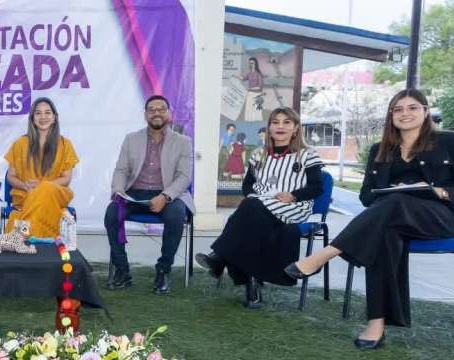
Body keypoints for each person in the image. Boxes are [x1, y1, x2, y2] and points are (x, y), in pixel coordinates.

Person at [287, 89, 454, 349]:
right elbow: (367, 197)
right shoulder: (379, 150)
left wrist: (435, 191)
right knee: (385, 230)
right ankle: (376, 324)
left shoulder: (450, 141)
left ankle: (325, 254)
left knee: (396, 203)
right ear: (391, 115)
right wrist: (390, 192)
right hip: (391, 218)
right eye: (398, 109)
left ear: (425, 111)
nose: (405, 113)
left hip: (441, 218)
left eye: (412, 107)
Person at [195, 108, 323, 308]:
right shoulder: (258, 154)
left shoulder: (308, 155)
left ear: (296, 128)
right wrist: (253, 197)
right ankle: (251, 282)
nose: (280, 126)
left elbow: (316, 187)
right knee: (252, 211)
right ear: (269, 127)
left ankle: (221, 257)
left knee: (248, 211)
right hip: (259, 204)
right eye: (275, 122)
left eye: (286, 122)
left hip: (293, 205)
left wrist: (293, 195)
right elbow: (247, 186)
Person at [104, 95, 194, 294]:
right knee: (112, 213)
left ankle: (163, 270)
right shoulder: (131, 139)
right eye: (152, 110)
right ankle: (122, 270)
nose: (156, 113)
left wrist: (165, 197)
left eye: (161, 109)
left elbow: (184, 177)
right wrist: (118, 191)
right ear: (145, 114)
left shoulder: (183, 142)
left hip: (168, 193)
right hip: (135, 194)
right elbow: (121, 170)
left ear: (168, 114)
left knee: (176, 216)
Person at [4, 97, 79, 239]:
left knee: (45, 189)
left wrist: (42, 186)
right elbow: (11, 176)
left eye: (47, 112)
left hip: (55, 195)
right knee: (40, 198)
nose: (43, 117)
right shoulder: (20, 143)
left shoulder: (65, 144)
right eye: (38, 113)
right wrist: (25, 185)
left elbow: (66, 178)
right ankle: (41, 242)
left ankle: (19, 237)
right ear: (32, 119)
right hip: (26, 194)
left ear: (54, 117)